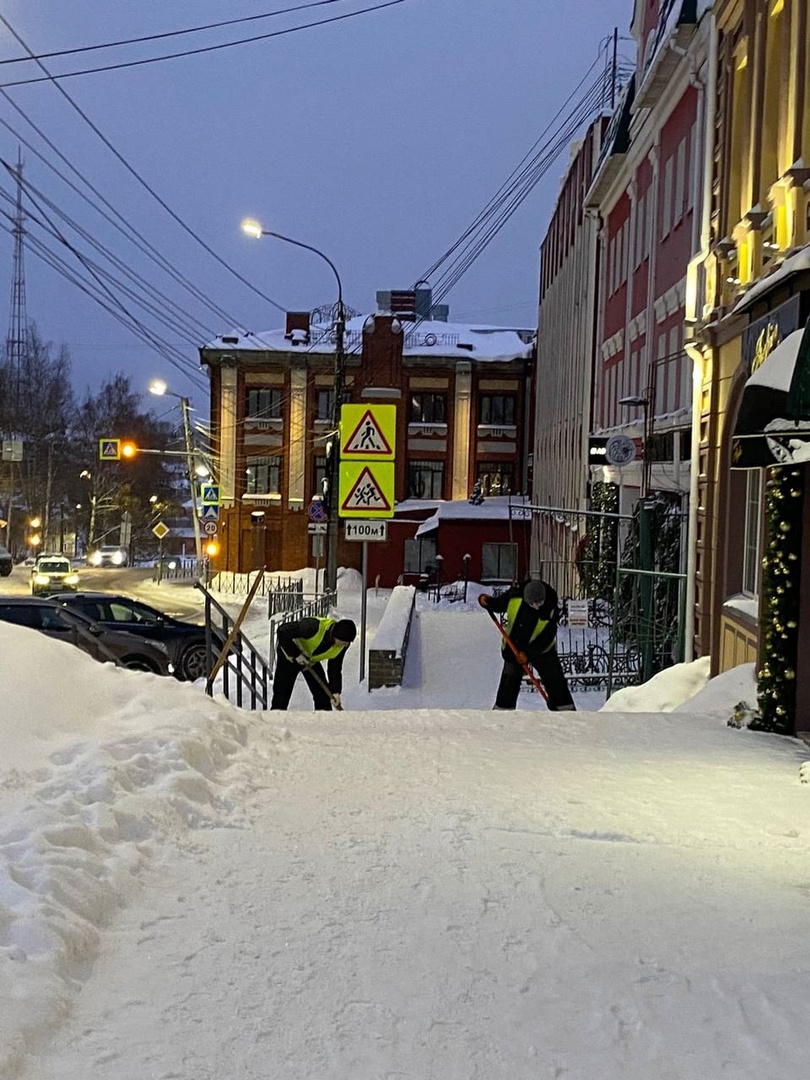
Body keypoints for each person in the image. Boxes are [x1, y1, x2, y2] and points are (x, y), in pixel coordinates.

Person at [478, 579, 575, 712]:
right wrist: (487, 601)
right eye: (534, 603)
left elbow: (546, 638)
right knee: (509, 683)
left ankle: (566, 711)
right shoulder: (515, 596)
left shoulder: (549, 608)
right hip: (515, 646)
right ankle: (502, 713)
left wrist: (528, 654)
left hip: (542, 651)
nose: (537, 606)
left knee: (555, 681)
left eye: (540, 603)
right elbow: (499, 604)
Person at [271, 616, 357, 711]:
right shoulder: (312, 626)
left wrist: (335, 691)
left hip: (310, 661)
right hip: (288, 657)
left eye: (348, 643)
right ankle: (275, 721)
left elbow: (335, 667)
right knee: (281, 697)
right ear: (336, 635)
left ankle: (323, 722)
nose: (346, 645)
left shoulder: (342, 646)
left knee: (323, 697)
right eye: (344, 642)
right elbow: (282, 631)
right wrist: (296, 654)